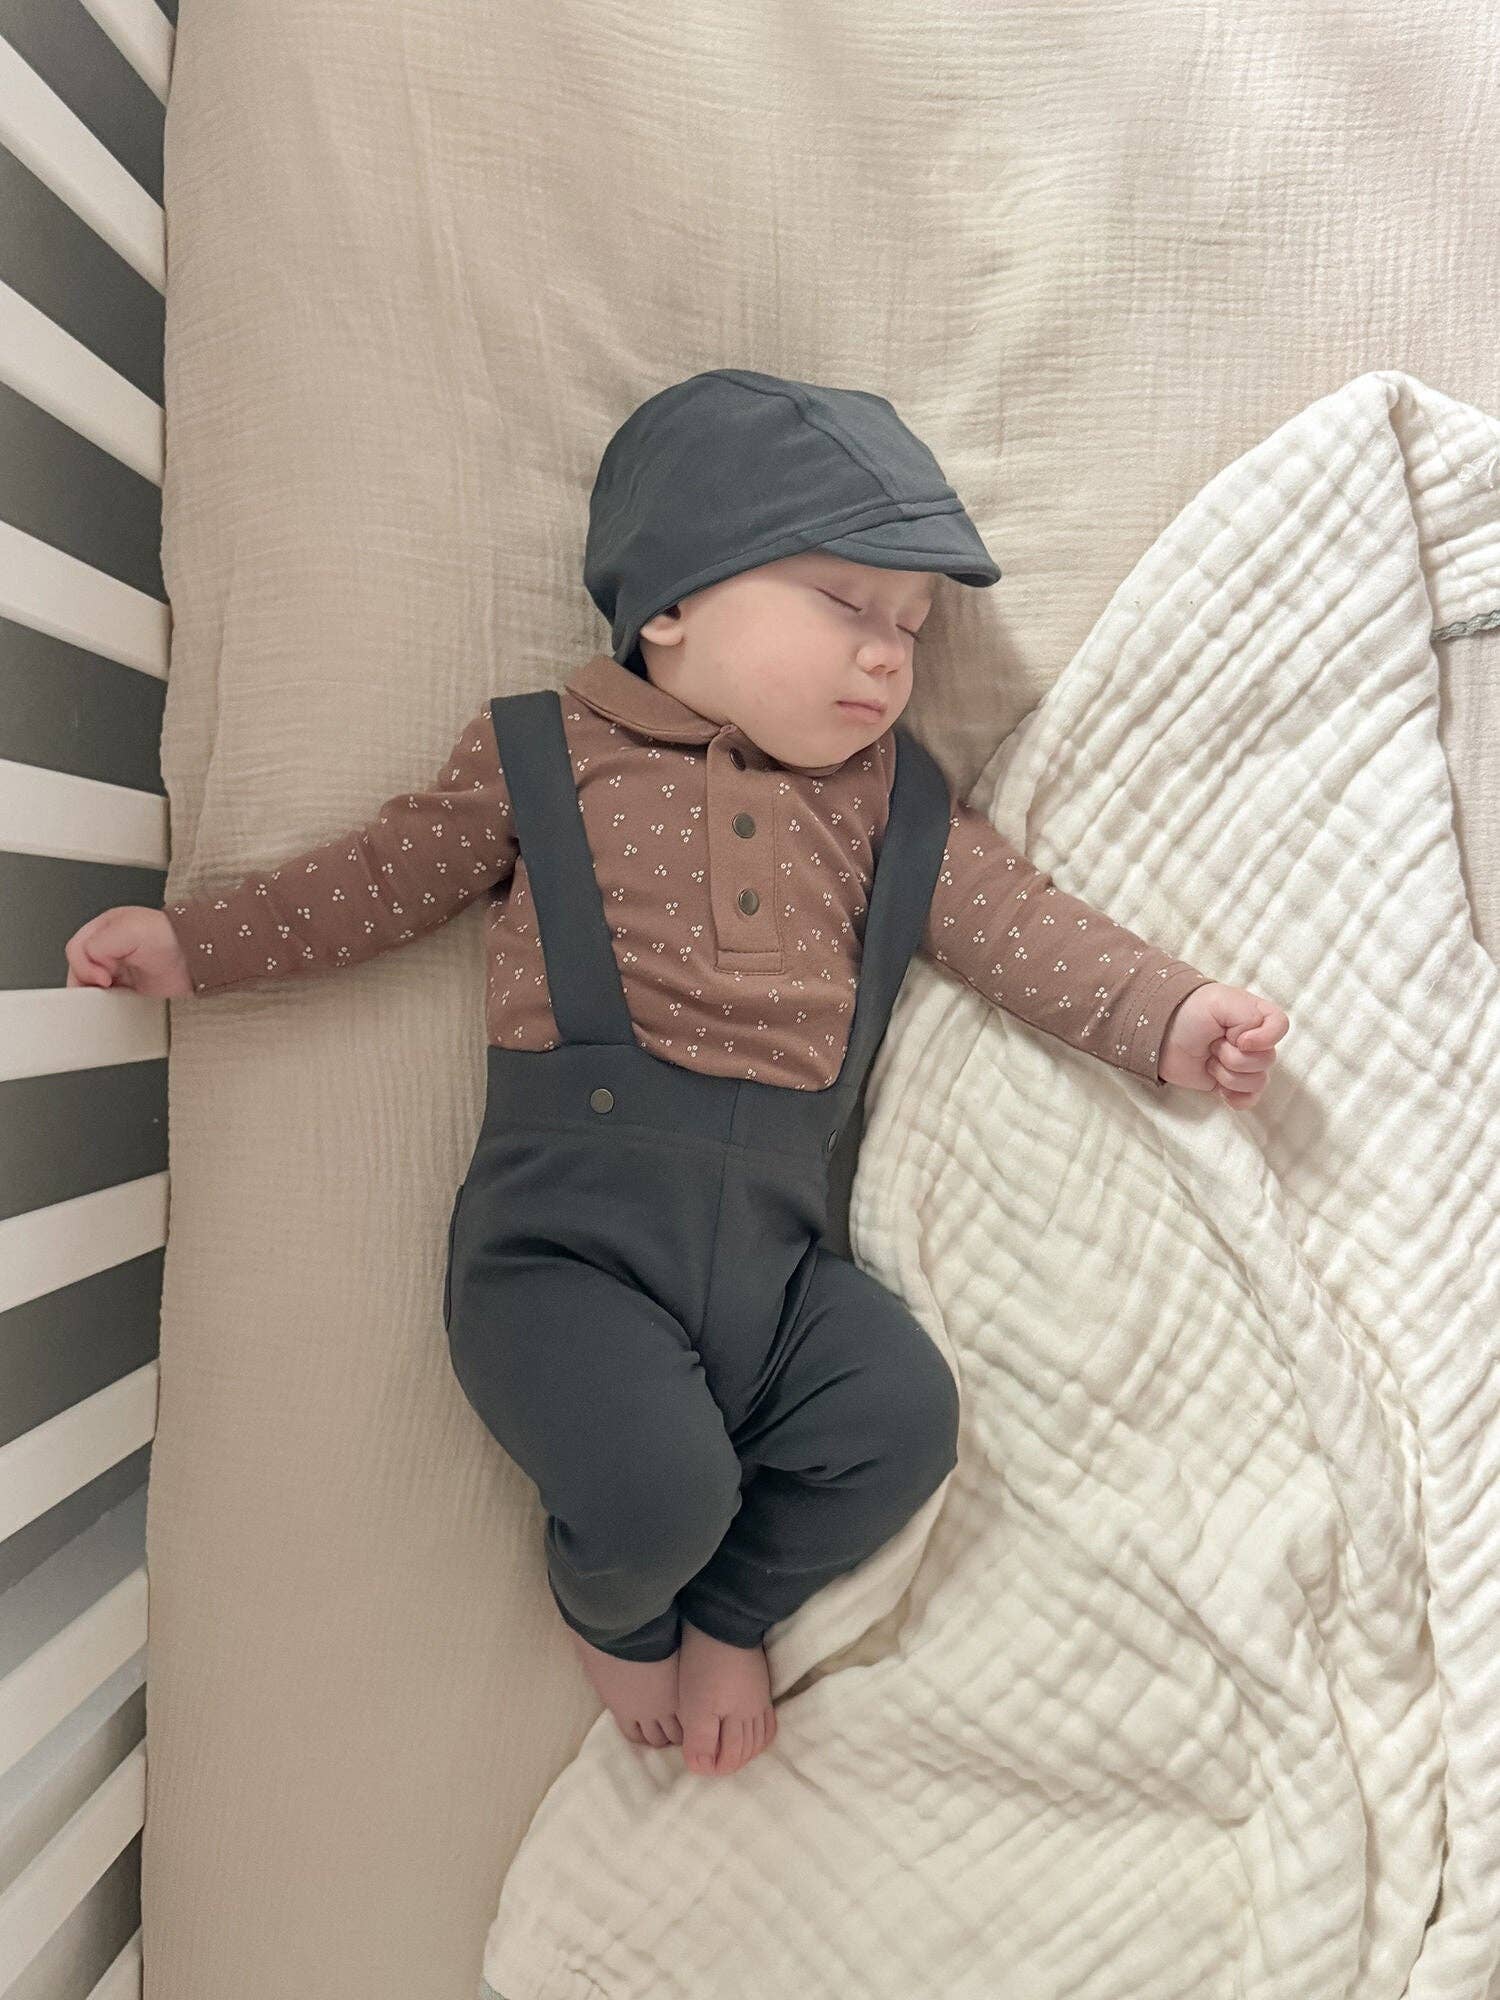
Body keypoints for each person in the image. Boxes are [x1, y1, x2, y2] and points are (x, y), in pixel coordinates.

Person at [64, 369, 1289, 1781]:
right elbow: (378, 880)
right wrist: (192, 943)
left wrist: (1171, 1013)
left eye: (911, 627)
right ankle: (613, 1594)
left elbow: (1020, 924)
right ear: (672, 605)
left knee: (901, 1420)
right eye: (847, 603)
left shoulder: (894, 808)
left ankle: (733, 1605)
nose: (891, 658)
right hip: (566, 1250)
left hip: (778, 1261)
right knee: (657, 1488)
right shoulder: (539, 758)